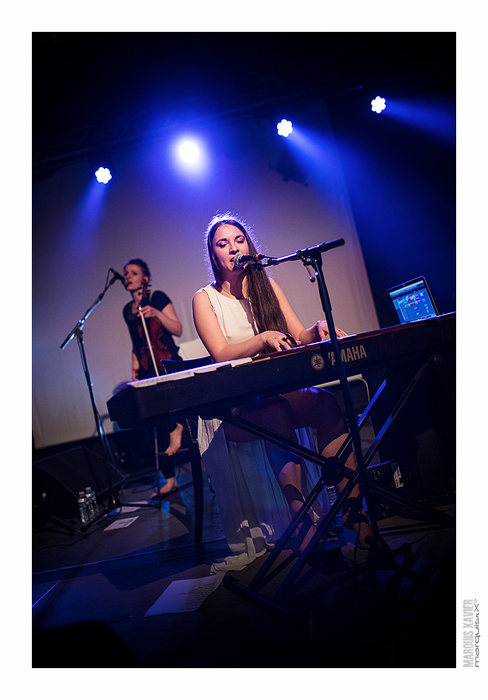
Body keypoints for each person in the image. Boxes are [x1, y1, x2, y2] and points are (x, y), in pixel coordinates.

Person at [192, 215, 373, 572]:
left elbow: (298, 338)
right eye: (223, 243)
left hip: (275, 393)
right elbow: (221, 353)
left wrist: (317, 329)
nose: (233, 248)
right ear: (213, 256)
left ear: (250, 246)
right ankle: (300, 517)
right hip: (234, 409)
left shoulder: (268, 287)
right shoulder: (205, 298)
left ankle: (355, 511)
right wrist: (261, 339)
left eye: (239, 240)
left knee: (325, 403)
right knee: (274, 412)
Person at [123, 258, 184, 496]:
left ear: (145, 279)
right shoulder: (128, 311)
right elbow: (135, 344)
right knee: (151, 421)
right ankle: (169, 480)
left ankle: (177, 426)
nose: (127, 276)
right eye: (126, 273)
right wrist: (135, 372)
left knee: (174, 411)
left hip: (168, 362)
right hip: (147, 366)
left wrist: (157, 313)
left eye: (133, 273)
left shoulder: (157, 297)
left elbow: (177, 329)